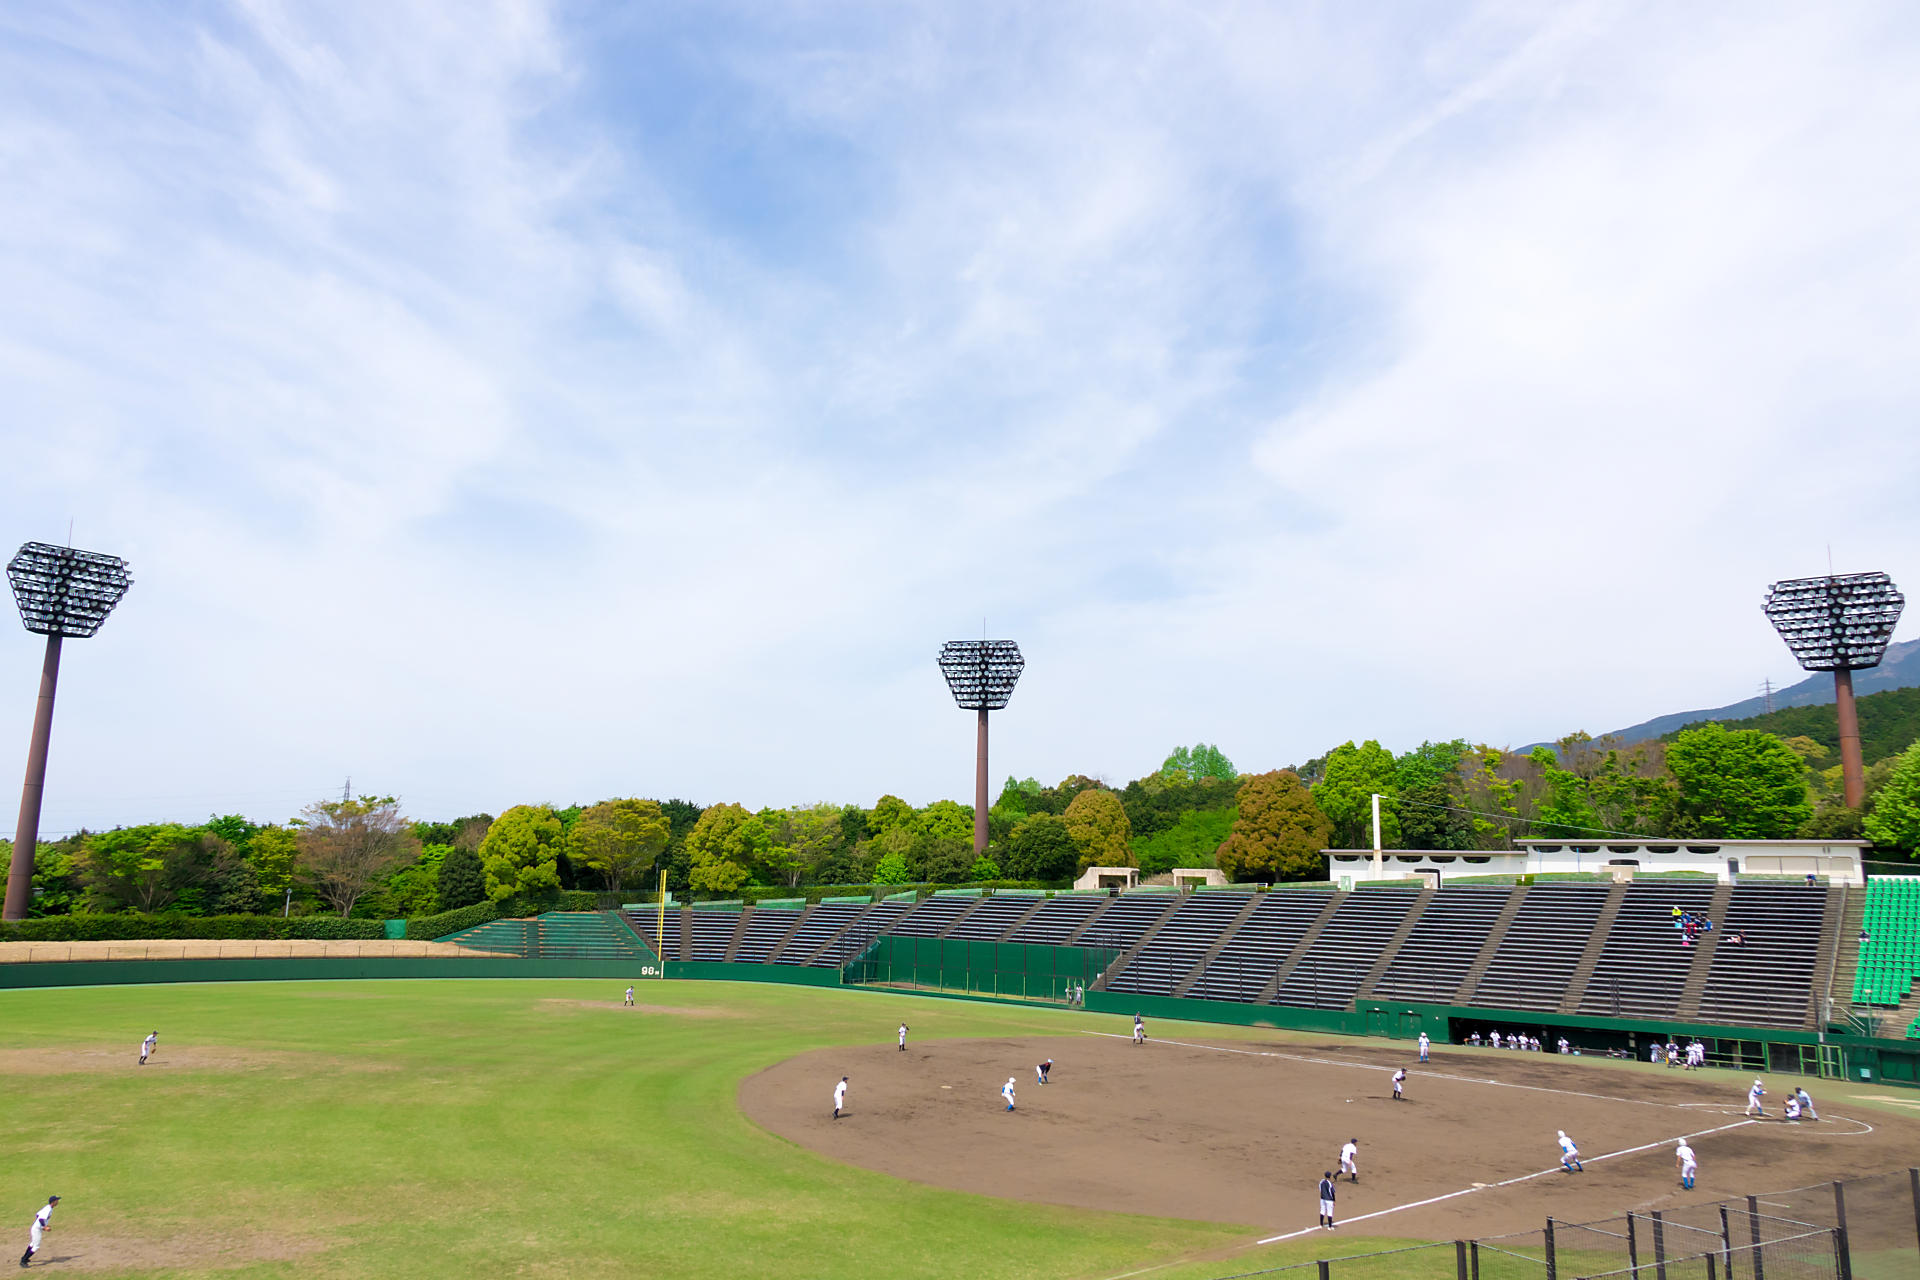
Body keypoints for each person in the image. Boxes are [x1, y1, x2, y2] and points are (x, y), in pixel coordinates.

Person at [19, 1195, 57, 1269]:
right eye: (56, 1200)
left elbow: (37, 1215)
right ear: (53, 1202)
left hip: (36, 1227)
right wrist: (45, 1227)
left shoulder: (48, 1207)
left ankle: (24, 1258)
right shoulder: (48, 1209)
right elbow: (40, 1219)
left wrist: (43, 1225)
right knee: (36, 1246)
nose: (57, 1202)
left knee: (32, 1244)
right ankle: (23, 1261)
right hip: (36, 1229)